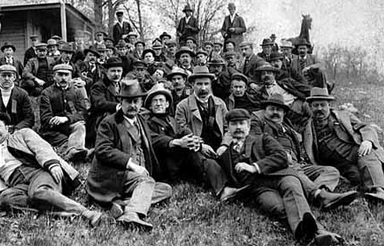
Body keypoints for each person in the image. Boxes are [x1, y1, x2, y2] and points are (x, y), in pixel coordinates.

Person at [217, 109, 343, 245]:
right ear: (228, 128)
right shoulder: (225, 156)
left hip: (283, 177)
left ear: (248, 125)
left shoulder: (263, 139)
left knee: (293, 194)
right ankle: (319, 233)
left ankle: (310, 236)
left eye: (242, 123)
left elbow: (281, 157)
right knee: (278, 208)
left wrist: (254, 167)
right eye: (234, 124)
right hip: (260, 189)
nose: (238, 128)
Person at [0, 109, 102, 226]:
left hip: (40, 173)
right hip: (18, 184)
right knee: (5, 199)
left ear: (6, 128)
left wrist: (52, 164)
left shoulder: (21, 134)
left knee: (38, 192)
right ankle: (55, 212)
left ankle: (85, 213)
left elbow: (41, 148)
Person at [86, 80, 172, 229]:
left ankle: (121, 205)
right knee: (147, 183)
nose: (133, 105)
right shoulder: (109, 122)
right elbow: (103, 150)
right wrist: (131, 164)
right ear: (121, 102)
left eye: (136, 101)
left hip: (134, 179)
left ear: (141, 103)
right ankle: (132, 214)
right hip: (112, 176)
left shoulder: (141, 121)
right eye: (128, 101)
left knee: (165, 189)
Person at [249, 94, 358, 210]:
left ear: (284, 113)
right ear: (264, 111)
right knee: (294, 170)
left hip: (298, 164)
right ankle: (319, 196)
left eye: (279, 110)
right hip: (277, 163)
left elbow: (306, 121)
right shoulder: (259, 125)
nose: (275, 112)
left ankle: (317, 194)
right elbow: (256, 141)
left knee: (331, 171)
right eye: (271, 109)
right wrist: (279, 153)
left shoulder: (289, 129)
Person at [305, 87, 384, 206]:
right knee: (358, 177)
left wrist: (367, 141)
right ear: (310, 107)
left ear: (329, 105)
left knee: (367, 154)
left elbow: (366, 127)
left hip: (357, 151)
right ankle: (382, 184)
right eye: (315, 105)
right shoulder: (307, 128)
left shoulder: (343, 116)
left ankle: (380, 192)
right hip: (341, 166)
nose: (319, 109)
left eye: (322, 105)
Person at [175, 66, 239, 202]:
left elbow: (229, 128)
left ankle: (241, 185)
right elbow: (181, 130)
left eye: (206, 84)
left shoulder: (219, 104)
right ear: (192, 85)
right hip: (196, 148)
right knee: (207, 162)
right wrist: (200, 145)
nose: (203, 88)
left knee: (234, 157)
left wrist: (224, 145)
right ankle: (223, 190)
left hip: (218, 145)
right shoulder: (183, 106)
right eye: (199, 84)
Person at [39, 64, 90, 162]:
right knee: (67, 141)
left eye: (66, 75)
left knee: (80, 126)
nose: (63, 78)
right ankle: (80, 152)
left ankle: (74, 152)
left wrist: (67, 119)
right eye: (60, 75)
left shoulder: (76, 91)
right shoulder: (47, 93)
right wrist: (56, 120)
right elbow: (45, 117)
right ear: (54, 76)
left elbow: (83, 113)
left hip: (71, 126)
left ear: (71, 77)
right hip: (53, 130)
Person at [254, 63, 312, 131]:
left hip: (299, 105)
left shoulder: (287, 82)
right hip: (284, 115)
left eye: (269, 73)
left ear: (274, 75)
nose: (266, 75)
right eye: (263, 74)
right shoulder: (260, 92)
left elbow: (306, 89)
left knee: (313, 117)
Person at [87, 57, 123, 145]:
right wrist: (117, 106)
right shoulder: (99, 86)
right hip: (101, 117)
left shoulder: (123, 85)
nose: (116, 74)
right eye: (113, 71)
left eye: (119, 71)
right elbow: (99, 103)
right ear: (106, 71)